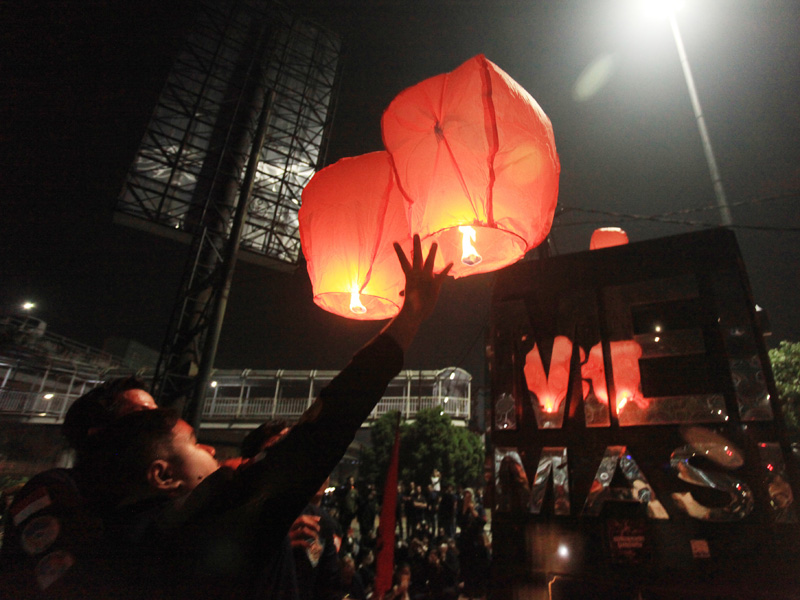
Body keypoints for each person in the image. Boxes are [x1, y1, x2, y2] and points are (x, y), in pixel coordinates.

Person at [67, 235, 452, 599]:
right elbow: (322, 429)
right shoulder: (207, 521)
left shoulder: (97, 543)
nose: (209, 446)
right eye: (191, 443)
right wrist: (410, 317)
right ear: (163, 475)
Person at [0, 376, 156, 598]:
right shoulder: (53, 490)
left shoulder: (145, 496)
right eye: (142, 413)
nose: (159, 422)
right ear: (100, 433)